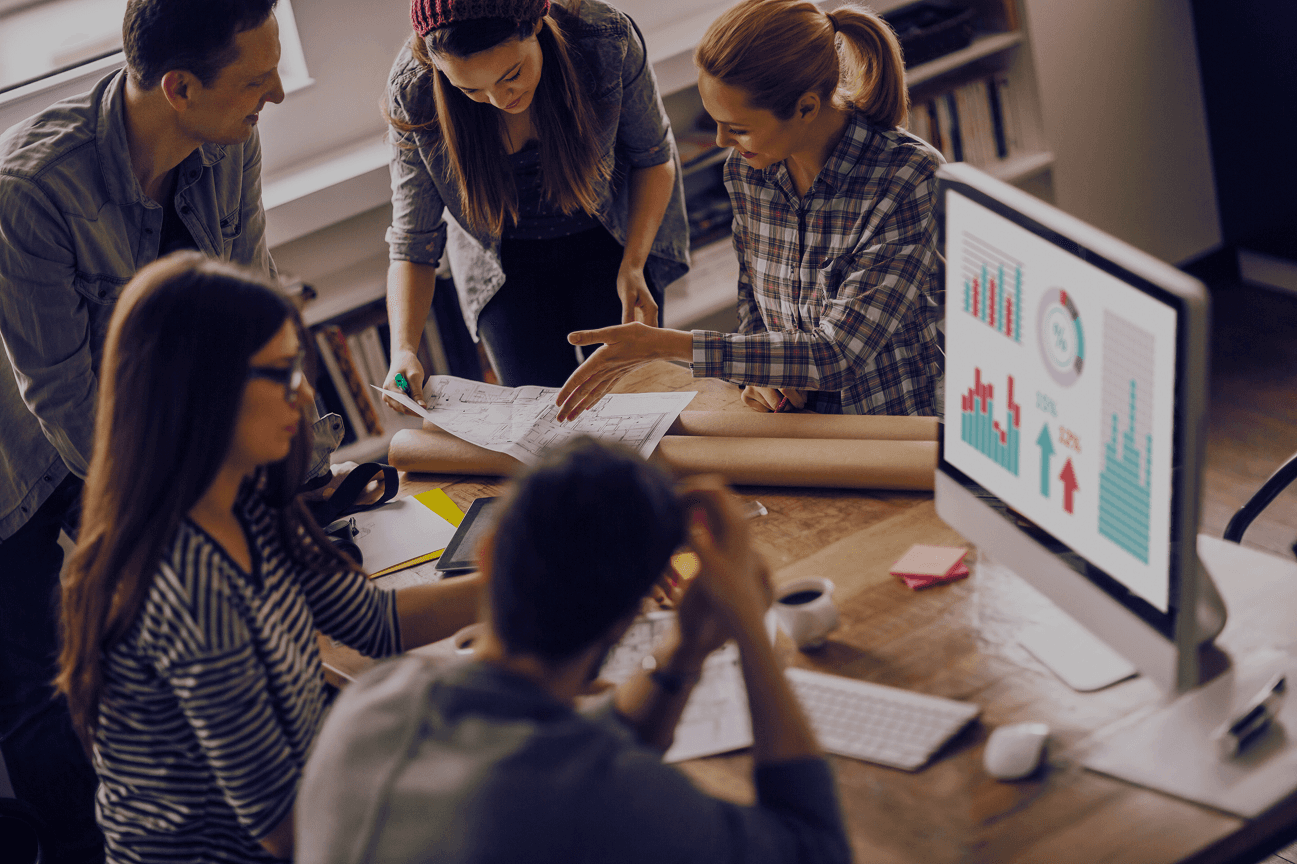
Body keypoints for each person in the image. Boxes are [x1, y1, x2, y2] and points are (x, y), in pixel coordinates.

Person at [0, 2, 312, 860]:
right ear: (179, 87)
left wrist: (283, 447)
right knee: (44, 702)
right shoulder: (30, 192)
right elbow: (61, 397)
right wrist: (177, 521)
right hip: (18, 462)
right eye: (257, 78)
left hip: (138, 428)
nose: (279, 92)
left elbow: (248, 302)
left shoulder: (230, 138)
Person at [54, 253, 484, 864]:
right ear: (206, 391)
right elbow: (286, 831)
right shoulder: (190, 588)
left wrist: (527, 575)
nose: (306, 393)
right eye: (283, 374)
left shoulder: (245, 501)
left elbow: (376, 622)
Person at [295, 437, 850, 864]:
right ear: (633, 613)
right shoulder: (600, 797)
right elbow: (817, 848)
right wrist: (749, 624)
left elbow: (571, 761)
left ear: (487, 558)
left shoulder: (370, 705)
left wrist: (684, 650)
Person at [554, 0, 944, 422]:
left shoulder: (907, 176)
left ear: (806, 108)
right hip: (790, 427)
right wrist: (761, 380)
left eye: (738, 128)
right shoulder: (747, 171)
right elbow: (754, 309)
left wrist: (663, 344)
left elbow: (836, 355)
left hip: (892, 431)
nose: (722, 141)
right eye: (716, 122)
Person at [380, 0, 690, 395]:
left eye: (511, 74)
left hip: (611, 238)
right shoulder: (414, 88)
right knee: (538, 417)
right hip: (504, 263)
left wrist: (634, 264)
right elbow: (413, 241)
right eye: (469, 89)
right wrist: (404, 350)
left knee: (634, 400)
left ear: (536, 25)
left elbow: (654, 158)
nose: (497, 99)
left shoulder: (604, 37)